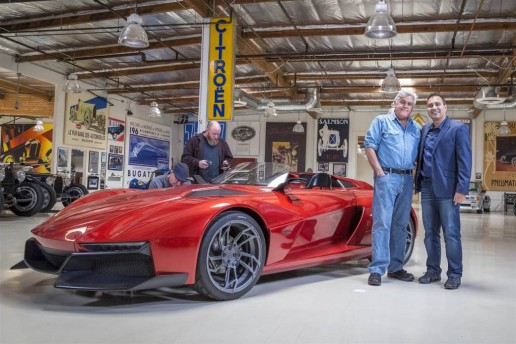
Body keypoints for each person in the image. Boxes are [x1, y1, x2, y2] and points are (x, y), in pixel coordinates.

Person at [364, 89, 421, 286]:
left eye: (409, 104)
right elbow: (369, 145)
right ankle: (377, 269)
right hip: (387, 177)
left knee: (400, 224)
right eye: (402, 102)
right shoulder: (381, 121)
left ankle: (396, 267)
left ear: (412, 107)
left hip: (406, 181)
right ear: (395, 103)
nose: (405, 106)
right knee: (382, 223)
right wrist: (379, 171)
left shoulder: (416, 129)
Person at [415, 93, 472, 290]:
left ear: (445, 107)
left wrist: (462, 188)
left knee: (451, 233)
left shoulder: (458, 129)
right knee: (430, 233)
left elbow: (465, 161)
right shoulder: (424, 130)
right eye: (430, 105)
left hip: (448, 189)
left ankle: (455, 274)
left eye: (437, 104)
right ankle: (432, 271)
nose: (434, 108)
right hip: (427, 187)